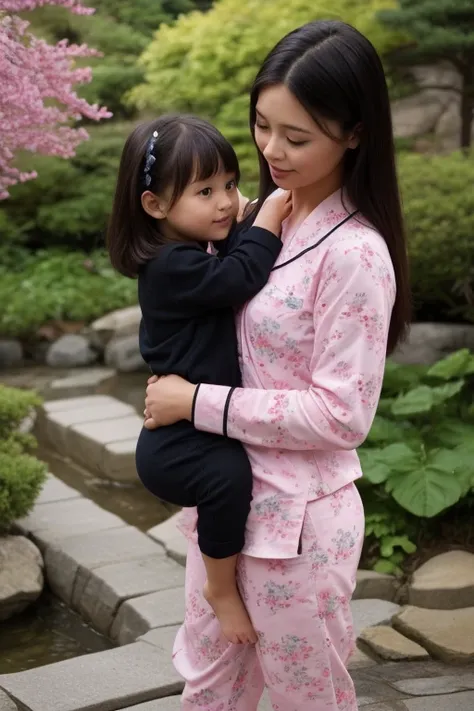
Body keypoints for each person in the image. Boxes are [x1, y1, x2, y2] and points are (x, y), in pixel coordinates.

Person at [143, 19, 410, 711]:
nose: (270, 150)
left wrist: (193, 401)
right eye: (262, 126)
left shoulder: (354, 253)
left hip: (300, 529)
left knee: (307, 697)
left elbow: (341, 413)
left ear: (354, 133)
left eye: (296, 137)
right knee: (207, 685)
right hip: (229, 504)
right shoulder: (263, 214)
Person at [107, 114, 292, 647]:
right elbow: (240, 276)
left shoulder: (190, 250)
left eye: (231, 185)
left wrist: (244, 224)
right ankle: (220, 588)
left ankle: (216, 571)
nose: (226, 202)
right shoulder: (169, 266)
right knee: (229, 479)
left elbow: (231, 254)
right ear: (155, 205)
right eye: (205, 190)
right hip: (178, 445)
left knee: (234, 476)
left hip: (190, 419)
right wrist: (268, 219)